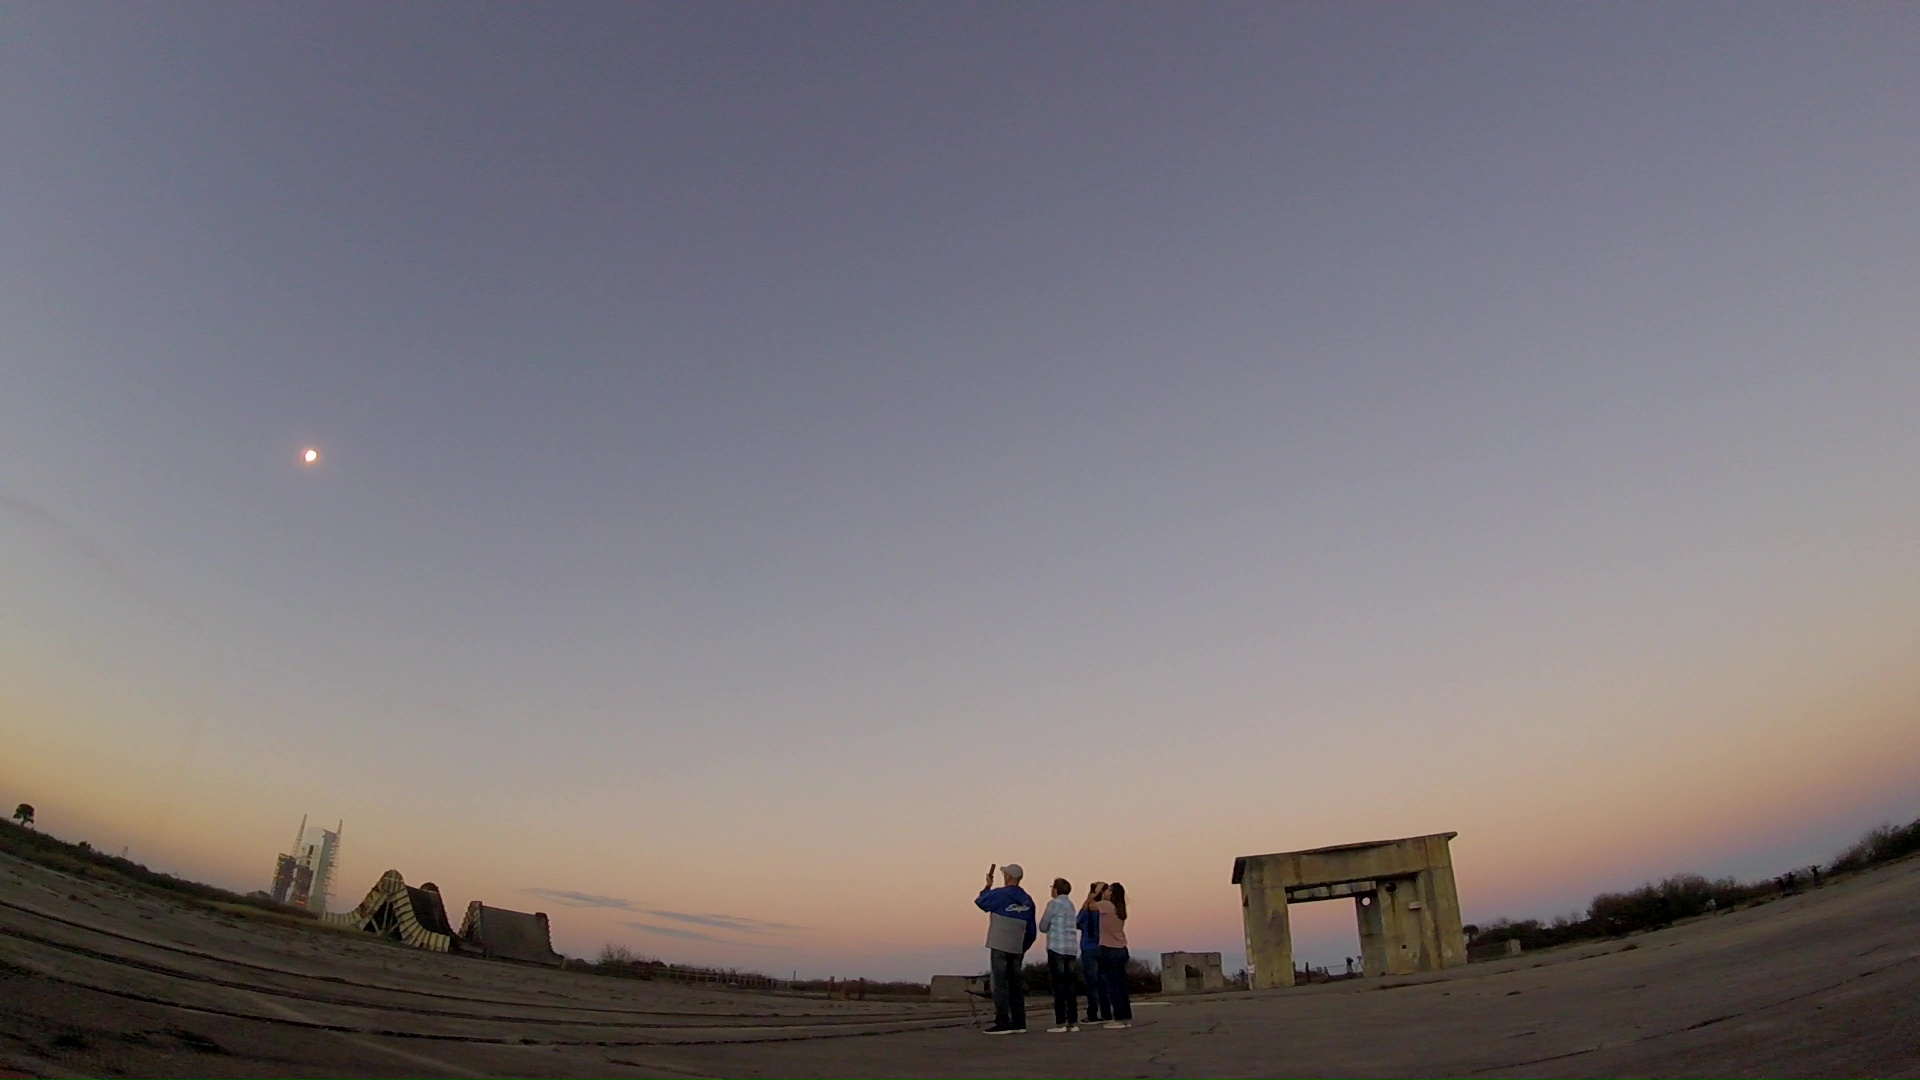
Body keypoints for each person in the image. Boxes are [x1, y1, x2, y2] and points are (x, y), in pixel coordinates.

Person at [974, 862, 1036, 1035]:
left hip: (1000, 943)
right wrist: (1023, 947)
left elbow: (981, 902)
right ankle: (1019, 1022)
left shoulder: (1000, 894)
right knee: (1016, 984)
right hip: (1017, 946)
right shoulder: (1028, 899)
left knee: (1000, 984)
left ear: (1007, 877)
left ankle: (1003, 1022)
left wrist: (987, 885)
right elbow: (1031, 930)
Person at [1036, 877, 1082, 1032]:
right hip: (1071, 949)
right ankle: (1073, 1021)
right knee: (1070, 986)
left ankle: (1060, 1022)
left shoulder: (1053, 904)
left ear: (1056, 889)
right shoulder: (1071, 905)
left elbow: (1043, 926)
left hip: (1057, 948)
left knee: (1058, 986)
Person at [1093, 881, 1133, 1029]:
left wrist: (1096, 892)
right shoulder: (1120, 909)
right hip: (1121, 948)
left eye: (1108, 890)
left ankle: (1118, 1018)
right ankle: (1126, 1017)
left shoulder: (1107, 905)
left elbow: (1088, 906)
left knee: (1112, 985)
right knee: (1121, 985)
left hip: (1109, 949)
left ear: (1112, 893)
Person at [1078, 882, 1110, 1024]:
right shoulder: (1105, 910)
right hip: (1103, 947)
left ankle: (1092, 1014)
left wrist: (1088, 899)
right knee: (1103, 982)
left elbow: (1077, 922)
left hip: (1088, 948)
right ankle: (1107, 1012)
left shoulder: (1087, 911)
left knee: (1092, 983)